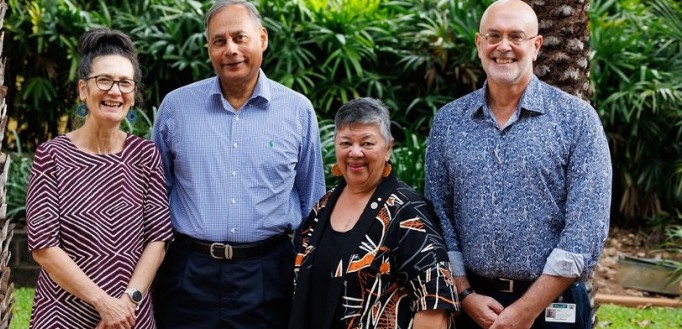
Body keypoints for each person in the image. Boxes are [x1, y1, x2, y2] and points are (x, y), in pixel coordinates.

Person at [425, 1, 612, 328]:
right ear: (479, 44)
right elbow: (438, 215)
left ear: (536, 46)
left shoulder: (577, 121)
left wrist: (526, 310)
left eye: (516, 36)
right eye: (493, 36)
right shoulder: (449, 122)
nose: (504, 46)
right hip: (474, 308)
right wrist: (465, 295)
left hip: (554, 308)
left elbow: (586, 228)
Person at [150, 0, 326, 328]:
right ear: (208, 48)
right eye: (219, 41)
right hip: (189, 273)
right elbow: (156, 194)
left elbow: (311, 202)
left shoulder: (297, 111)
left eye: (239, 38)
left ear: (262, 38)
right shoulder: (176, 107)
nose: (230, 49)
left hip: (269, 273)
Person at [26, 28, 173, 329]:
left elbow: (158, 239)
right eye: (103, 80)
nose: (115, 91)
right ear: (83, 89)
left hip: (130, 316)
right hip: (61, 316)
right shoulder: (51, 155)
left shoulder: (146, 155)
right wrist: (103, 303)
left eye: (125, 83)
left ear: (133, 94)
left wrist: (126, 304)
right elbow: (43, 247)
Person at [289, 97, 459, 329]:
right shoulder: (323, 206)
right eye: (346, 143)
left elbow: (435, 304)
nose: (355, 153)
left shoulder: (408, 210)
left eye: (367, 143)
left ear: (388, 148)